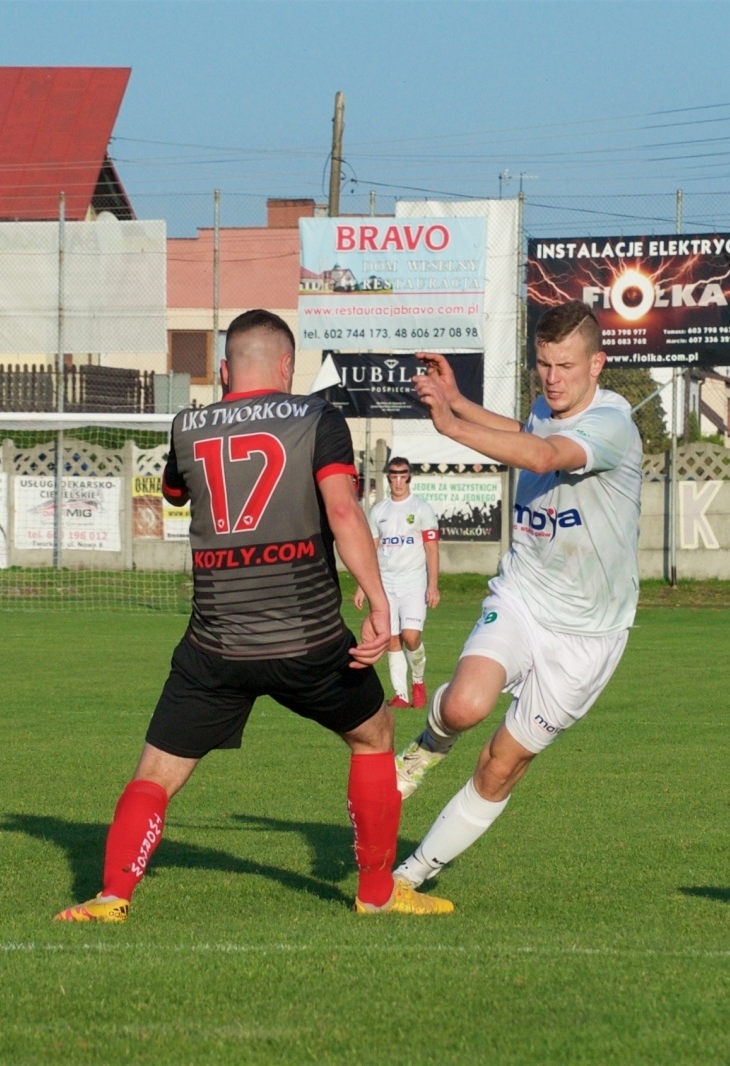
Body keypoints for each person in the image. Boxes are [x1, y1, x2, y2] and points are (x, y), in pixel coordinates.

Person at [54, 309, 452, 922]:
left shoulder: (188, 425)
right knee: (373, 737)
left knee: (156, 772)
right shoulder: (319, 417)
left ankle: (111, 896)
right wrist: (378, 601)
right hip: (309, 638)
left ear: (222, 371)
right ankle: (375, 892)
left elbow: (174, 494)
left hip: (216, 646)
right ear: (287, 367)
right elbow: (345, 513)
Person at [390, 300, 643, 898]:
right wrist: (457, 402)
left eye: (565, 366)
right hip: (524, 594)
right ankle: (426, 748)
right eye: (542, 365)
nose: (552, 379)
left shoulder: (612, 425)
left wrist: (450, 428)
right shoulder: (547, 405)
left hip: (588, 637)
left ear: (596, 365)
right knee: (464, 707)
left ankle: (412, 875)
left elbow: (544, 456)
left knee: (501, 764)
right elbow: (527, 433)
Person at [353, 456, 441, 709]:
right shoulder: (378, 511)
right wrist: (362, 585)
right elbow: (371, 550)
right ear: (388, 477)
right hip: (385, 583)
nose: (398, 481)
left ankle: (418, 679)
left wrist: (432, 585)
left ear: (409, 477)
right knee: (391, 638)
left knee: (410, 636)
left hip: (413, 582)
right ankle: (401, 695)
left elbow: (432, 549)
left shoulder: (422, 509)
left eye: (403, 475)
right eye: (394, 475)